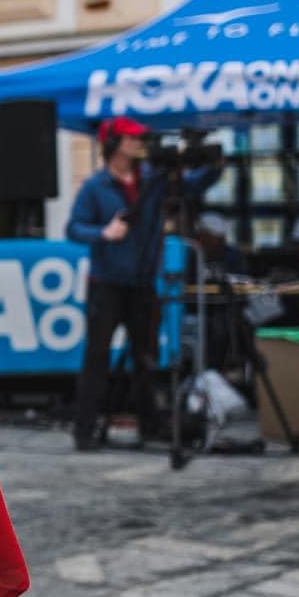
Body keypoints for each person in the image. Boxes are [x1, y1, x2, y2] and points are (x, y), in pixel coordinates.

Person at [65, 115, 222, 452]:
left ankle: (149, 424)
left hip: (143, 283)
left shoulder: (152, 179)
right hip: (106, 284)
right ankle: (84, 428)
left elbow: (192, 186)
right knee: (97, 356)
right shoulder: (95, 187)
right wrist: (103, 232)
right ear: (113, 145)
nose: (139, 143)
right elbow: (73, 228)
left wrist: (213, 166)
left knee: (146, 357)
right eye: (131, 138)